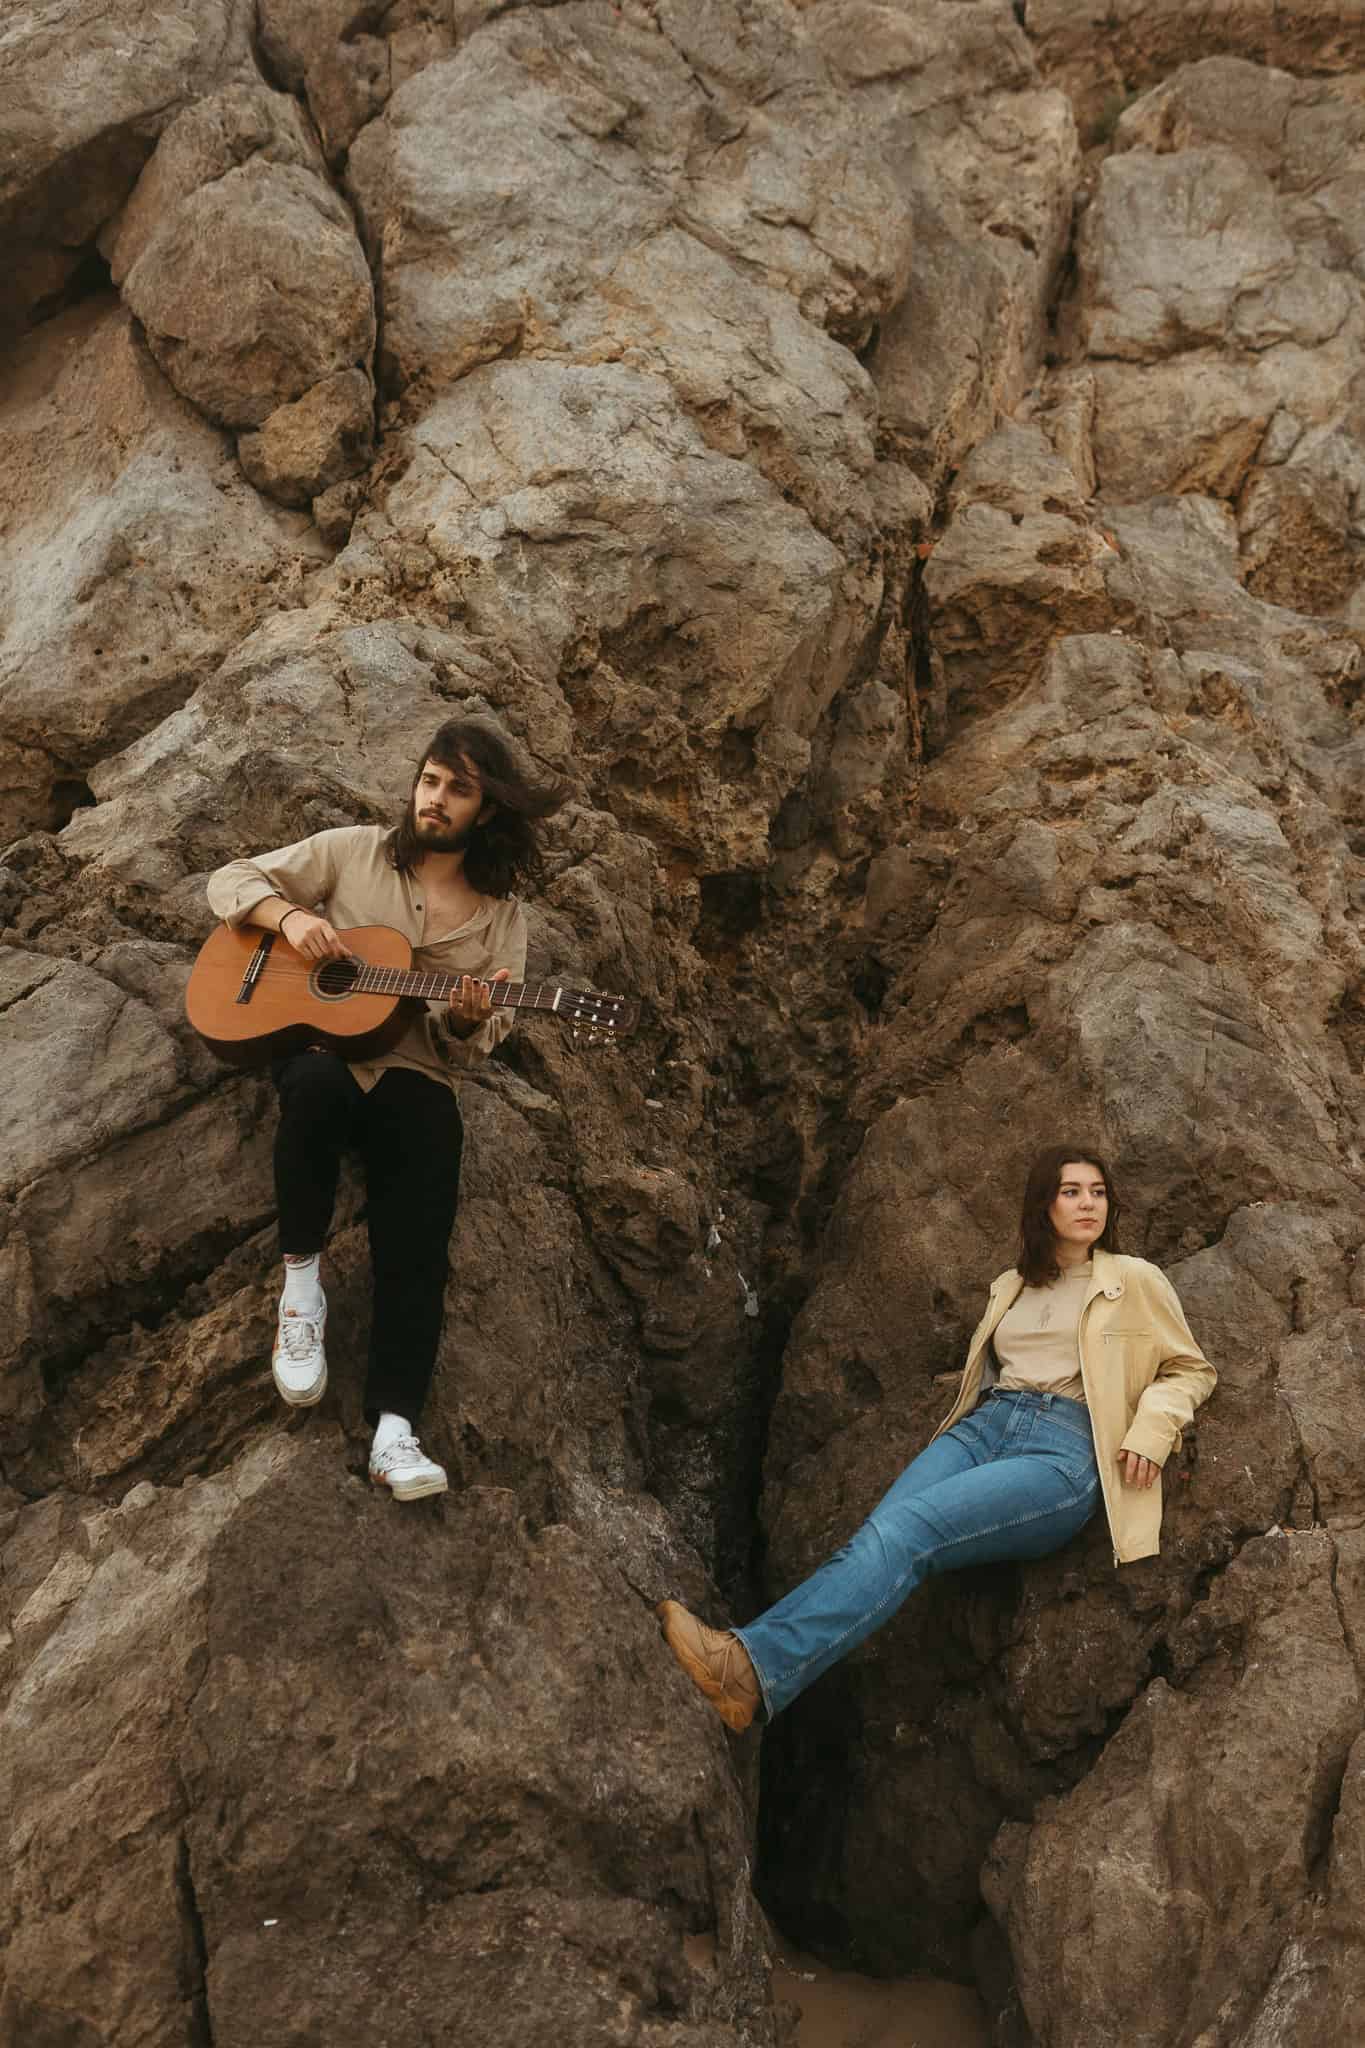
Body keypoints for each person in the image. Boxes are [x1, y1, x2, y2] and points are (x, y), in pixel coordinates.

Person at [657, 1145, 1216, 1730]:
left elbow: (1191, 1369)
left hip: (1062, 1449)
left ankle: (749, 1665)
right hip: (986, 1427)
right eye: (1071, 1191)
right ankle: (754, 1681)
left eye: (1098, 1192)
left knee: (906, 1533)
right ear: (1042, 1204)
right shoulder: (1011, 1287)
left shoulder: (1133, 1279)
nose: (1088, 1204)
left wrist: (1152, 1432)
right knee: (878, 1536)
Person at [206, 718, 566, 1500]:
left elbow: (479, 1044)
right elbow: (230, 881)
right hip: (325, 1056)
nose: (435, 799)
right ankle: (301, 1292)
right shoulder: (351, 851)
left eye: (458, 790)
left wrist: (470, 1018)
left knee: (424, 1223)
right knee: (309, 1085)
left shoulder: (502, 917)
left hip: (415, 1076)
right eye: (430, 779)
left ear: (487, 810)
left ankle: (395, 1430)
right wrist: (293, 919)